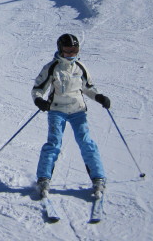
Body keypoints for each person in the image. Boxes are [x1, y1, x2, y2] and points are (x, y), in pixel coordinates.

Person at [31, 33, 111, 197]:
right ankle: (43, 178)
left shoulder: (80, 67)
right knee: (53, 143)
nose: (70, 54)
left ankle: (98, 178)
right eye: (67, 50)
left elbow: (88, 88)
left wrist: (99, 97)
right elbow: (38, 89)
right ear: (60, 49)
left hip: (77, 110)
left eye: (74, 50)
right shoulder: (51, 67)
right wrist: (39, 101)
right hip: (57, 110)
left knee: (86, 142)